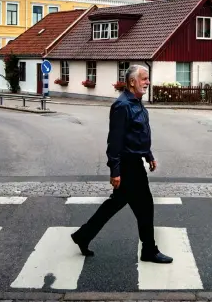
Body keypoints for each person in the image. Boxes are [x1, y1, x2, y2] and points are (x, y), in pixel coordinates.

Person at [71, 65, 173, 264]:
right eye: (144, 78)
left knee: (116, 204)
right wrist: (115, 171)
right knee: (145, 207)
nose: (148, 82)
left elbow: (138, 135)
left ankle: (83, 235)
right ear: (132, 82)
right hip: (128, 167)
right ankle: (149, 250)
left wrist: (148, 155)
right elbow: (115, 142)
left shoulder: (136, 102)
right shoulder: (123, 105)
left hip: (134, 162)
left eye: (147, 78)